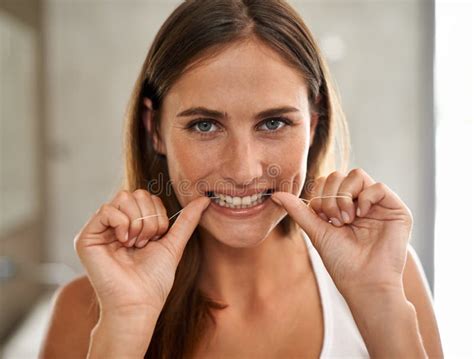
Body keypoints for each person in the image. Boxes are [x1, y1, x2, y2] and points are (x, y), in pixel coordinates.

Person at [39, 0, 443, 358]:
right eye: (204, 125)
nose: (243, 170)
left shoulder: (388, 276)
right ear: (155, 129)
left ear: (314, 123)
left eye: (273, 122)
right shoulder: (88, 311)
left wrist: (379, 303)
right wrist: (125, 325)